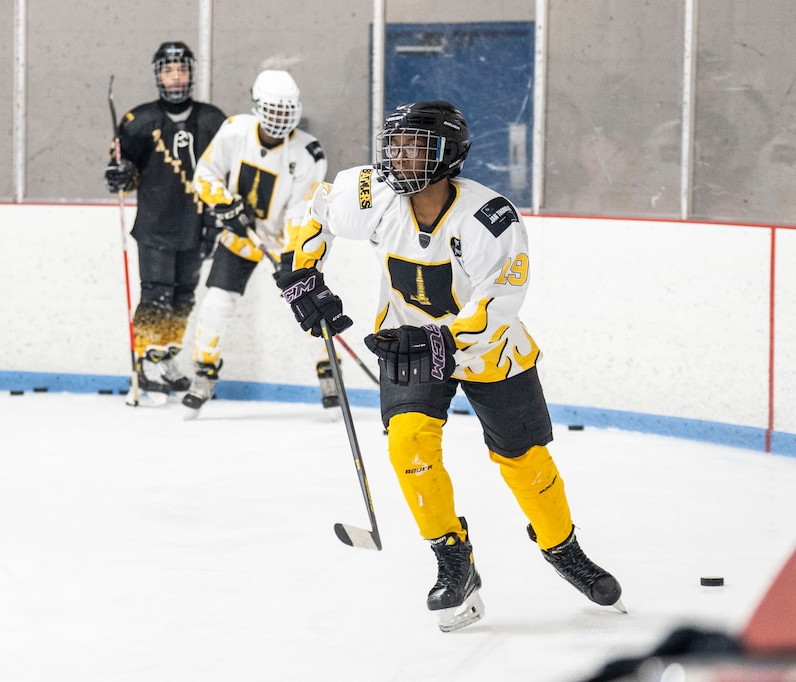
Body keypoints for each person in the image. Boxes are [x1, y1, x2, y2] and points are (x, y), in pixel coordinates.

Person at [276, 100, 624, 631]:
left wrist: (440, 341)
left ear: (449, 154)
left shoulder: (491, 218)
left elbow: (498, 306)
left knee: (524, 460)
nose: (400, 157)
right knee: (407, 442)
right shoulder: (375, 194)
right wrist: (303, 273)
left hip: (489, 350)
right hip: (404, 339)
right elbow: (317, 209)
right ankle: (453, 560)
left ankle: (562, 549)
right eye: (395, 144)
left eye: (416, 147)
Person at [182, 69, 330, 416]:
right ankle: (203, 376)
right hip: (239, 237)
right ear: (258, 106)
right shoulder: (234, 130)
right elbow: (205, 173)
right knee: (216, 304)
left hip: (284, 243)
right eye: (274, 110)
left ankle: (329, 375)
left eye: (286, 111)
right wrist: (223, 202)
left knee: (309, 307)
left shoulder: (308, 153)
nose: (279, 119)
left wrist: (291, 256)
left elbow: (301, 211)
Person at [104, 41, 226, 404]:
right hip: (156, 224)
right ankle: (146, 363)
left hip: (198, 224)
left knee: (183, 298)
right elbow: (120, 177)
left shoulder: (213, 119)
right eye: (168, 70)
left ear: (191, 73)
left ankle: (167, 357)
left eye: (181, 69)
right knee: (156, 296)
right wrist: (120, 173)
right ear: (158, 75)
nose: (175, 76)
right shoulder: (137, 120)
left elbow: (228, 170)